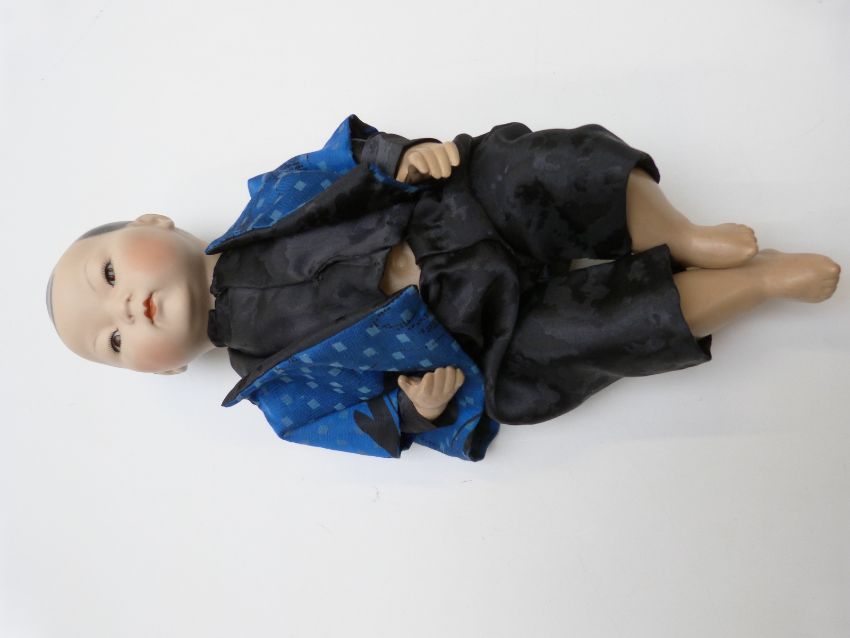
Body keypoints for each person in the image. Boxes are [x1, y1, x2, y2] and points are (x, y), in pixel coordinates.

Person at [47, 116, 841, 461]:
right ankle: (759, 283)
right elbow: (357, 427)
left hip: (454, 214)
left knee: (538, 168)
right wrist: (411, 411)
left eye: (109, 274)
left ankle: (680, 234)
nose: (125, 308)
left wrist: (400, 155)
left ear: (154, 222)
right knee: (591, 335)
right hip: (471, 333)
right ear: (164, 368)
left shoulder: (268, 197)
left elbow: (343, 159)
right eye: (114, 340)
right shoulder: (277, 394)